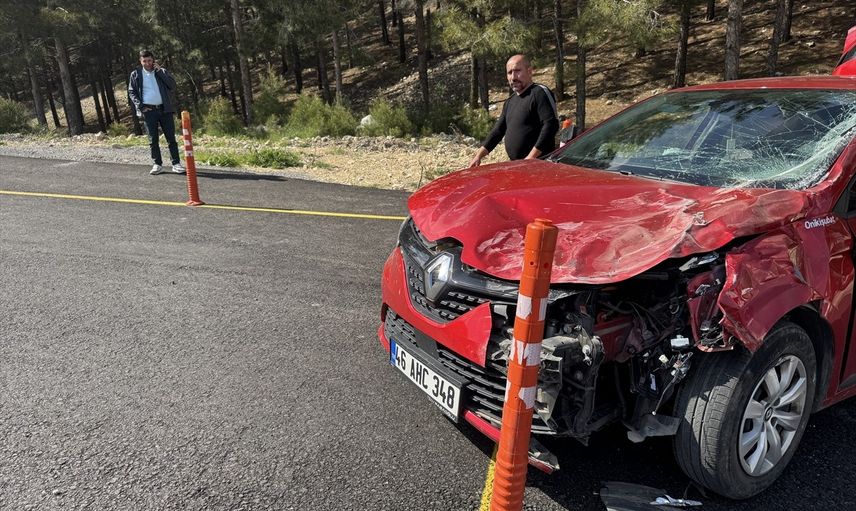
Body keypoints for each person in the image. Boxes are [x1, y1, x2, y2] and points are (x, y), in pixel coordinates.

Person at [469, 54, 559, 167]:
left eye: (517, 71)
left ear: (529, 71)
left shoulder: (539, 93)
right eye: (509, 72)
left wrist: (530, 158)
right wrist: (479, 155)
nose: (513, 77)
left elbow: (551, 125)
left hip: (540, 165)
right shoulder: (510, 102)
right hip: (518, 166)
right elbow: (498, 131)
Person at [128, 49, 185, 175]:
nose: (147, 63)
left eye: (149, 60)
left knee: (171, 138)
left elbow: (172, 85)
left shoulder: (161, 71)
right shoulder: (135, 74)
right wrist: (141, 106)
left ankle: (176, 163)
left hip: (165, 109)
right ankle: (157, 164)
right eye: (144, 61)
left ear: (153, 60)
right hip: (149, 111)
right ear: (140, 61)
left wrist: (160, 71)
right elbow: (132, 92)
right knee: (153, 140)